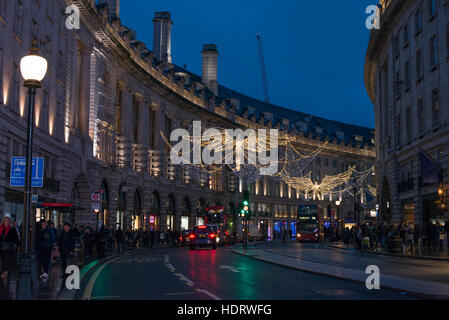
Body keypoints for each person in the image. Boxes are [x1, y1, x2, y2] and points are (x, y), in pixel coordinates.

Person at [0, 215, 20, 280]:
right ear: (3, 221)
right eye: (5, 220)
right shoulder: (1, 228)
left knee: (7, 260)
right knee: (3, 261)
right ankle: (5, 272)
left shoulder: (12, 229)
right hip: (2, 248)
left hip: (9, 249)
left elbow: (16, 238)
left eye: (8, 220)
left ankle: (5, 272)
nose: (6, 222)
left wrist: (18, 245)